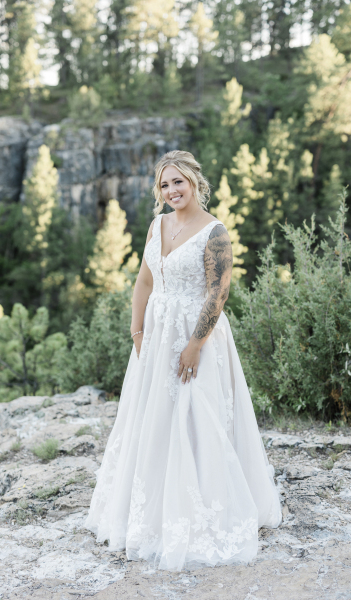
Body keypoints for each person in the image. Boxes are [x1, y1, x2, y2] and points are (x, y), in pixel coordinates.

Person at [84, 150, 282, 571]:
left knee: (197, 416)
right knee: (153, 420)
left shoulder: (215, 232)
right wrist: (137, 331)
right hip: (156, 336)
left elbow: (218, 294)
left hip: (198, 337)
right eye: (164, 184)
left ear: (194, 182)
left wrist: (194, 344)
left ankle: (201, 511)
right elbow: (144, 280)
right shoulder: (157, 225)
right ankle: (149, 514)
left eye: (179, 182)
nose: (172, 190)